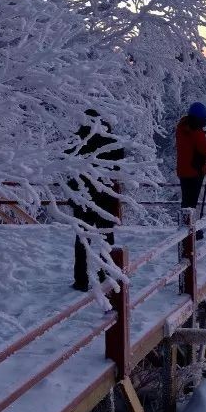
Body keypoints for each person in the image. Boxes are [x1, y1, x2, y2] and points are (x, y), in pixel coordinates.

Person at [70, 111, 124, 291]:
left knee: (82, 240)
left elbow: (67, 165)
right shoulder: (110, 141)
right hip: (104, 197)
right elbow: (119, 162)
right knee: (105, 238)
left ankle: (81, 279)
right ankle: (105, 274)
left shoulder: (77, 139)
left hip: (82, 197)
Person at [176, 102, 206, 238]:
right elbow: (204, 149)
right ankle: (191, 232)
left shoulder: (182, 128)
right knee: (192, 203)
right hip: (195, 171)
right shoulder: (196, 132)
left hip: (183, 171)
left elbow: (192, 145)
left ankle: (185, 229)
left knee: (186, 200)